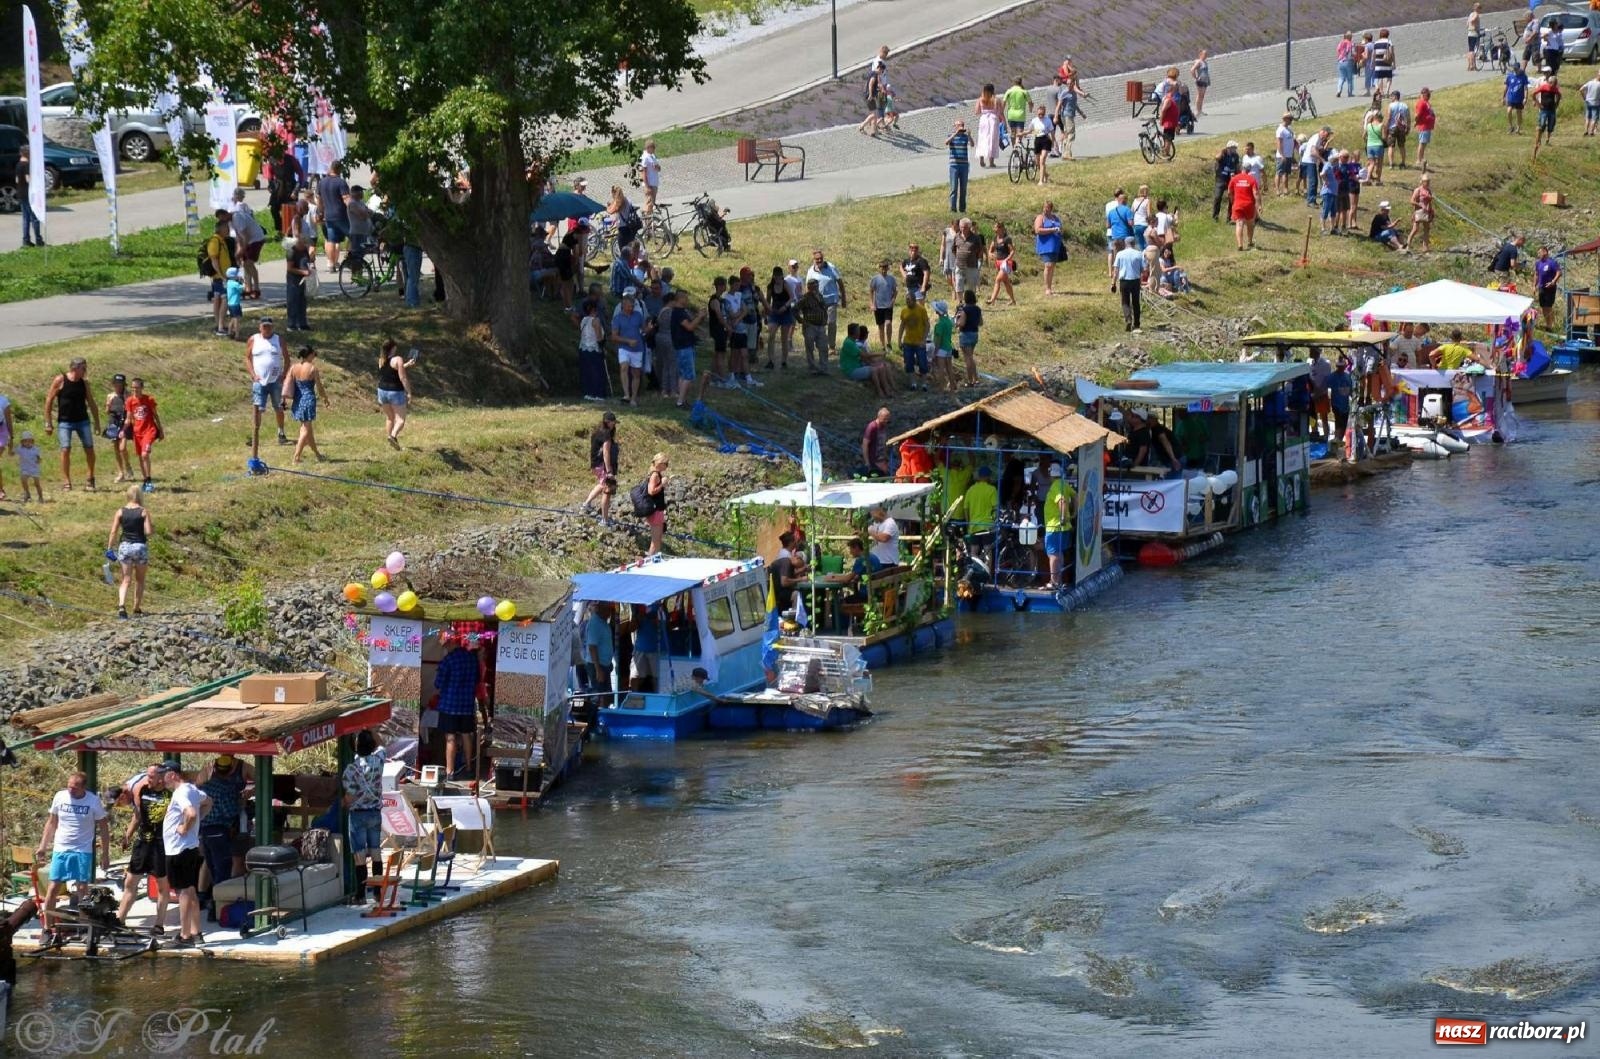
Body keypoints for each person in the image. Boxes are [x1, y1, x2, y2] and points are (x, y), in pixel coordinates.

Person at [35, 771, 111, 941]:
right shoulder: (60, 797)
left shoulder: (93, 801)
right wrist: (43, 847)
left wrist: (105, 854)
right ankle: (47, 929)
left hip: (82, 850)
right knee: (53, 888)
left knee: (82, 889)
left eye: (75, 788)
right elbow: (52, 822)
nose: (70, 790)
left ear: (83, 787)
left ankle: (84, 928)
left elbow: (104, 828)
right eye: (69, 786)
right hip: (61, 848)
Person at [160, 762, 210, 948]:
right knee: (190, 891)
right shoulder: (192, 789)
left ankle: (185, 935)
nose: (161, 778)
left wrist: (185, 827)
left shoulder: (181, 792)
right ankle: (197, 933)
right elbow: (208, 801)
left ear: (172, 775)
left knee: (183, 893)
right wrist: (198, 821)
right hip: (188, 848)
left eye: (163, 774)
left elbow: (190, 813)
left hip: (178, 849)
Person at [116, 764, 171, 931]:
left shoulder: (172, 794)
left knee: (162, 886)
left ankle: (159, 924)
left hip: (161, 844)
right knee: (130, 882)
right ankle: (120, 920)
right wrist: (128, 835)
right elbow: (137, 815)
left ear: (162, 778)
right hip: (143, 843)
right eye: (147, 776)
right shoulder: (143, 790)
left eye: (151, 777)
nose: (148, 779)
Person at [196, 753, 253, 909]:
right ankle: (218, 907)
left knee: (210, 865)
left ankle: (204, 899)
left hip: (204, 832)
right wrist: (240, 804)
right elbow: (229, 812)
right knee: (223, 869)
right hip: (220, 832)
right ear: (228, 770)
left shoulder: (204, 787)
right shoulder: (227, 789)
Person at [341, 730, 386, 899]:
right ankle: (377, 893)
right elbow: (382, 744)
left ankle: (360, 894)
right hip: (375, 813)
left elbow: (350, 796)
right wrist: (371, 728)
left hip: (358, 815)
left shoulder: (351, 769)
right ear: (372, 745)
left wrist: (343, 803)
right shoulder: (379, 761)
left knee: (359, 855)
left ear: (355, 748)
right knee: (376, 852)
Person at [435, 631, 485, 779]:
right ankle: (469, 767)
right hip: (466, 705)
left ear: (450, 643)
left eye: (445, 645)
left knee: (450, 738)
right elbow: (477, 680)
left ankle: (450, 772)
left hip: (449, 706)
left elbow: (438, 683)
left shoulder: (448, 660)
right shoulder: (472, 658)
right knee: (466, 736)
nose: (445, 648)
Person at [44, 357, 99, 491]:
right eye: (83, 368)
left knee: (89, 448)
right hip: (65, 421)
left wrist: (97, 422)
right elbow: (49, 401)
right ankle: (66, 481)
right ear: (74, 368)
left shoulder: (84, 383)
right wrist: (48, 423)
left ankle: (90, 477)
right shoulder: (60, 380)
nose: (85, 371)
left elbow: (91, 402)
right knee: (65, 449)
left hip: (82, 420)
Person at [282, 346, 327, 464]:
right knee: (305, 430)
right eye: (314, 354)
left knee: (308, 429)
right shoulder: (313, 369)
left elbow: (287, 384)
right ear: (310, 355)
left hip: (298, 399)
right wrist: (325, 398)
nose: (314, 357)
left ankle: (317, 454)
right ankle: (296, 457)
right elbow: (319, 387)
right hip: (308, 399)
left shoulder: (294, 367)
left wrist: (284, 400)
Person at [375, 339, 416, 448]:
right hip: (395, 392)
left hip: (382, 391)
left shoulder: (381, 360)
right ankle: (393, 436)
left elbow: (390, 371)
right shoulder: (398, 359)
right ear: (393, 348)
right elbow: (402, 377)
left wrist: (406, 365)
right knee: (401, 419)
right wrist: (409, 392)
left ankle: (390, 440)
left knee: (390, 418)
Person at [805, 249, 846, 355]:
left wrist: (844, 298)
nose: (819, 261)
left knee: (831, 323)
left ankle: (831, 347)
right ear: (813, 260)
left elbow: (840, 282)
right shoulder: (811, 271)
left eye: (821, 259)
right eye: (817, 259)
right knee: (820, 324)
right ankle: (821, 345)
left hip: (831, 300)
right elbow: (808, 287)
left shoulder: (831, 268)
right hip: (818, 302)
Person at [612, 287, 648, 405]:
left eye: (632, 306)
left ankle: (633, 397)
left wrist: (649, 329)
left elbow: (643, 330)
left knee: (636, 373)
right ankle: (626, 394)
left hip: (638, 348)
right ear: (623, 305)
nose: (631, 308)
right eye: (629, 306)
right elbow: (614, 336)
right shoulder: (617, 318)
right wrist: (627, 341)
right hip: (624, 348)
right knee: (624, 367)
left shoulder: (638, 315)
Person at [1041, 463, 1074, 589]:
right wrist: (1074, 512)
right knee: (1059, 554)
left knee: (1053, 554)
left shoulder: (1056, 486)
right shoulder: (1064, 484)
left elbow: (1062, 501)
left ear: (1051, 474)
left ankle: (1054, 582)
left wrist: (1062, 517)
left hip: (1055, 526)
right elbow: (1075, 496)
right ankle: (1058, 581)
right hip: (1062, 527)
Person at [229, 188, 266, 298]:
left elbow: (245, 234)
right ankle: (248, 288)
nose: (242, 197)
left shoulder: (240, 208)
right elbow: (239, 236)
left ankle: (256, 288)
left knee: (249, 263)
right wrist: (238, 252)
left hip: (254, 238)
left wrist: (241, 251)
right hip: (246, 237)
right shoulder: (232, 214)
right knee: (245, 264)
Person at [584, 411, 620, 524]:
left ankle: (586, 504)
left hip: (595, 465)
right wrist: (609, 471)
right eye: (612, 422)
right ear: (607, 422)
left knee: (601, 484)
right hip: (603, 466)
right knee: (607, 491)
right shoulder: (606, 435)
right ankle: (604, 520)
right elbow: (606, 453)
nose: (614, 425)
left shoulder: (596, 433)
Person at [203, 216, 235, 337]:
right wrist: (222, 276)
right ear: (221, 229)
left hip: (221, 277)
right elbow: (214, 260)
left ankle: (219, 325)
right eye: (226, 228)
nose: (228, 230)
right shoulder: (215, 241)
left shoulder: (222, 240)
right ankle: (221, 327)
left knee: (218, 300)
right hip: (220, 277)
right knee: (226, 299)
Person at [317, 161, 351, 270]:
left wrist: (321, 212)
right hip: (341, 215)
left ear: (331, 168)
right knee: (353, 236)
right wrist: (354, 209)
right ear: (339, 170)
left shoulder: (322, 182)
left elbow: (319, 199)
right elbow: (346, 199)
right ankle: (350, 259)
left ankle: (331, 264)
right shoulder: (341, 183)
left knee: (331, 240)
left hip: (328, 216)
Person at [897, 291, 930, 391]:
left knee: (923, 363)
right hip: (908, 341)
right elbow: (902, 325)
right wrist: (899, 340)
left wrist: (924, 340)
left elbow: (927, 325)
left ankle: (924, 384)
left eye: (909, 300)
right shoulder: (904, 311)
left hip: (919, 341)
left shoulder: (921, 310)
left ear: (914, 300)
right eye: (906, 300)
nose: (907, 302)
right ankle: (913, 383)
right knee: (909, 363)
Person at [796, 278, 829, 374]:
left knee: (823, 347)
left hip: (821, 326)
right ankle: (812, 367)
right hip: (810, 326)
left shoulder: (820, 297)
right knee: (810, 347)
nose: (815, 288)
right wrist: (801, 320)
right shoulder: (805, 298)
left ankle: (823, 368)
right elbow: (794, 309)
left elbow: (824, 307)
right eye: (813, 286)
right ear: (809, 287)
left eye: (816, 286)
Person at [1112, 239, 1145, 332]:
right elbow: (1143, 269)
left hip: (1124, 280)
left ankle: (1128, 319)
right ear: (1134, 244)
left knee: (1125, 302)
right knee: (1136, 303)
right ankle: (1137, 324)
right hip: (1135, 280)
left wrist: (1113, 283)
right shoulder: (1139, 254)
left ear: (1125, 244)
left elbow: (1116, 271)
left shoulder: (1120, 254)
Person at [764, 265, 794, 369]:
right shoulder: (770, 286)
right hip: (774, 312)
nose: (778, 279)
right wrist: (766, 314)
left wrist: (785, 307)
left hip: (785, 312)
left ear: (782, 276)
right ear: (773, 276)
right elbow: (767, 301)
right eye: (776, 277)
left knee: (784, 338)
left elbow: (792, 297)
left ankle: (784, 361)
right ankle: (771, 360)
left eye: (779, 276)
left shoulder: (785, 284)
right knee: (771, 336)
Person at [1034, 201, 1065, 296]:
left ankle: (1050, 287)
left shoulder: (1055, 218)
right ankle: (1047, 288)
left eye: (1047, 207)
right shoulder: (1040, 218)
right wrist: (1052, 230)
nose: (1045, 209)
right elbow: (1037, 230)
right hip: (1045, 245)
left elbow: (1061, 228)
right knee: (1048, 265)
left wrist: (1060, 231)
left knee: (1052, 266)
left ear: (1051, 209)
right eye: (1044, 207)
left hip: (1055, 245)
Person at [583, 603, 615, 694]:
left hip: (604, 664)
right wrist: (598, 670)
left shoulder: (603, 621)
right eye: (608, 609)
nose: (609, 613)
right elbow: (592, 647)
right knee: (599, 696)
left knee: (607, 695)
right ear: (600, 609)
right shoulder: (595, 623)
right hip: (597, 666)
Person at [285, 233, 314, 332]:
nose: (305, 245)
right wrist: (303, 272)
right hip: (294, 280)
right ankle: (291, 324)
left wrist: (312, 260)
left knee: (302, 301)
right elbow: (290, 269)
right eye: (304, 243)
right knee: (293, 301)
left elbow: (308, 261)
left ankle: (302, 323)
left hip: (303, 280)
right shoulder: (291, 252)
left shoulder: (305, 250)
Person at [104, 374, 130, 485]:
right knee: (116, 448)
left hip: (124, 422)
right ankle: (121, 472)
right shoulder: (110, 396)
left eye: (120, 384)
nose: (118, 386)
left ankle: (127, 465)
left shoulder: (127, 395)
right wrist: (108, 405)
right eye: (116, 384)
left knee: (122, 448)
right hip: (113, 423)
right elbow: (107, 411)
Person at [869, 260, 899, 350]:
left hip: (888, 306)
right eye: (882, 268)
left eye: (885, 268)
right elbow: (871, 290)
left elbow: (895, 291)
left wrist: (893, 301)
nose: (884, 270)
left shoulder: (891, 279)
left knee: (888, 323)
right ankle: (882, 345)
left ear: (888, 268)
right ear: (880, 268)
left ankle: (889, 343)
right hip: (878, 306)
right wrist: (872, 304)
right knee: (881, 326)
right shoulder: (875, 279)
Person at [1229, 163, 1259, 251]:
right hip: (1249, 205)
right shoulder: (1252, 179)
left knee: (1239, 223)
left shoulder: (1234, 178)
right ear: (1249, 170)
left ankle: (1240, 245)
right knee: (1250, 224)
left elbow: (1229, 192)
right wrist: (1258, 204)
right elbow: (1256, 193)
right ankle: (1249, 242)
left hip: (1237, 204)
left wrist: (1233, 201)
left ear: (1242, 168)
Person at [17, 147, 43, 247]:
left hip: (20, 192)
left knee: (25, 218)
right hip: (29, 193)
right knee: (34, 217)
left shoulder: (18, 165)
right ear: (28, 153)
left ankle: (26, 240)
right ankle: (38, 239)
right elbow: (28, 179)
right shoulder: (27, 165)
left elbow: (16, 179)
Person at [955, 291, 982, 387]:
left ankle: (970, 380)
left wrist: (956, 322)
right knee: (971, 357)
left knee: (968, 359)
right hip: (975, 334)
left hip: (965, 334)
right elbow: (980, 323)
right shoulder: (978, 309)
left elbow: (961, 323)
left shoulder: (964, 310)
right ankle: (976, 379)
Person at [987, 221, 1017, 307]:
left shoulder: (1007, 239)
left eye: (997, 227)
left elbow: (1012, 251)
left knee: (998, 280)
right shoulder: (995, 238)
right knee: (1006, 282)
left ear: (1002, 229)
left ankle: (992, 300)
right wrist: (990, 254)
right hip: (998, 262)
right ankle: (1013, 300)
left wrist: (1007, 259)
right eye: (995, 227)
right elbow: (990, 249)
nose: (995, 229)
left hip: (1005, 263)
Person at [644, 452, 669, 555]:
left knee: (657, 540)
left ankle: (654, 559)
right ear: (660, 463)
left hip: (656, 510)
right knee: (656, 541)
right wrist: (662, 485)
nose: (667, 466)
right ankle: (650, 560)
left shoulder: (654, 474)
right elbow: (651, 491)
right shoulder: (655, 475)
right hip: (656, 511)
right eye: (666, 463)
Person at [951, 218, 984, 297]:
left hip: (971, 266)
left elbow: (980, 250)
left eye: (965, 227)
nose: (963, 229)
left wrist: (975, 259)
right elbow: (954, 250)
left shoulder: (976, 238)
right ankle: (960, 303)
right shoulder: (957, 236)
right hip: (959, 265)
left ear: (969, 227)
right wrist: (959, 257)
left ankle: (970, 303)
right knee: (958, 285)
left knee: (971, 287)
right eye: (961, 227)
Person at [1327, 356, 1354, 452]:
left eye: (1342, 366)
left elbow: (1351, 390)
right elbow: (1326, 386)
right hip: (1336, 403)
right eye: (1338, 366)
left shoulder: (1347, 376)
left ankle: (1339, 441)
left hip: (1345, 404)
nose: (1340, 368)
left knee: (1344, 424)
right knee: (1338, 423)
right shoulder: (1332, 376)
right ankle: (1336, 441)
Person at [1532, 73, 1561, 157]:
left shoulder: (1555, 89)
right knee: (1542, 124)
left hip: (1552, 109)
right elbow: (1533, 94)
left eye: (1555, 84)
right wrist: (1537, 103)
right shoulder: (1544, 87)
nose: (1554, 86)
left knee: (1551, 124)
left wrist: (1557, 103)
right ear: (1550, 82)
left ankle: (1548, 139)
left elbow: (1559, 95)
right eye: (1553, 83)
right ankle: (1538, 140)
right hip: (1544, 109)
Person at [945, 119, 971, 213]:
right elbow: (946, 142)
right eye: (959, 125)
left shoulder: (965, 137)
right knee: (954, 188)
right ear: (955, 126)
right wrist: (955, 133)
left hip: (964, 165)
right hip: (954, 165)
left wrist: (969, 136)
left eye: (962, 125)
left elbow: (972, 144)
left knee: (963, 188)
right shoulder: (951, 135)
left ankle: (962, 208)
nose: (961, 127)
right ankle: (953, 208)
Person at [930, 300, 957, 392]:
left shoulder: (939, 324)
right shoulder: (949, 322)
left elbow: (938, 340)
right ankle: (952, 386)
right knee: (949, 367)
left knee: (941, 369)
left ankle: (942, 387)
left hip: (941, 349)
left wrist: (935, 352)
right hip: (948, 347)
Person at [1534, 246, 1562, 331]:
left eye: (1540, 252)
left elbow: (1559, 272)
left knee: (1548, 306)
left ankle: (1551, 326)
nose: (1538, 254)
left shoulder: (1551, 262)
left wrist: (1553, 281)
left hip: (1550, 288)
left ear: (1545, 252)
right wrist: (1534, 285)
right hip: (1541, 287)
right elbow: (1536, 274)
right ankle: (1548, 324)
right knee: (1543, 306)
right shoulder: (1538, 263)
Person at [1212, 141, 1241, 221]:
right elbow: (1216, 157)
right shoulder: (1223, 154)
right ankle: (1215, 216)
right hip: (1221, 178)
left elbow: (1238, 167)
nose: (1235, 149)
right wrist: (1222, 151)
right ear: (1229, 148)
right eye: (1234, 148)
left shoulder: (1236, 156)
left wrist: (1238, 175)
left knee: (1231, 198)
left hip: (1231, 179)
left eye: (1235, 148)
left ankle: (1229, 217)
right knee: (1217, 197)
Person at [865, 503, 900, 570]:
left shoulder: (890, 523)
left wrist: (870, 532)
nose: (872, 517)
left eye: (873, 515)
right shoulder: (876, 523)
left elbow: (883, 538)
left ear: (879, 511)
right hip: (877, 560)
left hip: (888, 562)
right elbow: (875, 535)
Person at [974, 84, 1003, 167]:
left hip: (983, 119)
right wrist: (1004, 123)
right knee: (992, 140)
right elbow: (1000, 112)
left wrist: (984, 110)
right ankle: (991, 162)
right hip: (993, 119)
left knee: (982, 138)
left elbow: (976, 111)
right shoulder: (996, 100)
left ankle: (982, 159)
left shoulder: (980, 99)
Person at [862, 406, 892, 477]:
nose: (886, 421)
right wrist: (867, 463)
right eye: (884, 419)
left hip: (882, 461)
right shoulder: (872, 427)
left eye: (887, 419)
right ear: (879, 417)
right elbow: (864, 445)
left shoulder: (884, 426)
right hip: (874, 463)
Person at [1029, 104, 1054, 185]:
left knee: (1042, 160)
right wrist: (1022, 134)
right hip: (1037, 140)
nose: (1041, 116)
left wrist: (1053, 141)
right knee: (1037, 162)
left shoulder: (1048, 120)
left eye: (1042, 114)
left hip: (1045, 140)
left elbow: (1052, 132)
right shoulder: (1034, 120)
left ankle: (1041, 181)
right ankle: (1045, 175)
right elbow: (1031, 130)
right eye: (1039, 114)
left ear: (1045, 113)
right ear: (1037, 113)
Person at [1385, 91, 1411, 169]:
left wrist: (1386, 127)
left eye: (1391, 96)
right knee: (1402, 146)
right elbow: (1408, 118)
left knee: (1391, 146)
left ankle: (1391, 164)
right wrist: (1408, 128)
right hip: (1401, 128)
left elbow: (1389, 117)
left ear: (1395, 96)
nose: (1391, 98)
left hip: (1392, 127)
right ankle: (1403, 162)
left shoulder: (1391, 105)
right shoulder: (1405, 105)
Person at [1002, 77, 1031, 144]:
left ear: (1013, 82)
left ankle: (1014, 148)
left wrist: (1001, 112)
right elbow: (1030, 103)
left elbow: (1003, 103)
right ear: (1021, 82)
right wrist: (1030, 109)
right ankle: (1017, 146)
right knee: (1020, 133)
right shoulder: (1024, 92)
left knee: (1013, 132)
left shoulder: (1009, 91)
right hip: (1020, 115)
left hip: (1011, 115)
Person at [16, 430, 42, 503]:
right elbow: (12, 452)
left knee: (37, 484)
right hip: (25, 468)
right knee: (23, 479)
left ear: (32, 442)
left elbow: (39, 458)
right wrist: (10, 445)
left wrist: (38, 460)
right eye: (25, 441)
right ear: (22, 442)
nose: (27, 443)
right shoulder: (20, 448)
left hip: (34, 469)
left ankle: (40, 497)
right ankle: (27, 493)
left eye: (29, 441)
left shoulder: (36, 449)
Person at [1506, 62, 1530, 134]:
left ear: (1519, 68)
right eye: (1514, 68)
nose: (1515, 70)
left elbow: (1525, 88)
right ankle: (1511, 126)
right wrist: (1503, 96)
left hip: (1519, 98)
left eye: (1517, 69)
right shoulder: (1510, 76)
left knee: (1518, 113)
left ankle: (1518, 128)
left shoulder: (1523, 76)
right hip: (1511, 97)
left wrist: (1525, 98)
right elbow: (1507, 86)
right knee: (1509, 111)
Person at [1370, 28, 1396, 96]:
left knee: (1380, 78)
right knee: (1389, 77)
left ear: (1380, 35)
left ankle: (1381, 92)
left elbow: (1373, 54)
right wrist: (1394, 62)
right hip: (1387, 62)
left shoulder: (1376, 43)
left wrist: (1372, 63)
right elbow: (1392, 53)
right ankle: (1387, 91)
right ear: (1387, 35)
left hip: (1378, 63)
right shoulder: (1389, 42)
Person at [639, 139, 661, 215]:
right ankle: (648, 224)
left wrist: (657, 167)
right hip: (649, 184)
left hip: (654, 183)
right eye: (653, 147)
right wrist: (647, 186)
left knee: (652, 204)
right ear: (648, 148)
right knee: (649, 205)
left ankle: (651, 223)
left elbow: (659, 168)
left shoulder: (653, 156)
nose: (654, 149)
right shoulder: (645, 157)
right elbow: (643, 172)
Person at [223, 266, 245, 340]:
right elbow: (242, 289)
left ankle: (229, 332)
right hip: (235, 304)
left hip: (230, 304)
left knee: (233, 318)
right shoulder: (234, 284)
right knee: (236, 319)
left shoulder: (229, 282)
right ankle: (237, 334)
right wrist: (242, 282)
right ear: (233, 276)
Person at [1190, 48, 1211, 115]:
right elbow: (1192, 70)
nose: (1206, 55)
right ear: (1200, 54)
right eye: (1204, 54)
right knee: (1199, 95)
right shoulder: (1198, 62)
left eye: (1206, 54)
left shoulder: (1205, 62)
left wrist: (1208, 79)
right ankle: (1197, 111)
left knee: (1202, 95)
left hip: (1205, 80)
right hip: (1200, 80)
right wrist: (1195, 77)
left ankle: (1200, 110)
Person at [1335, 32, 1357, 98]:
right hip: (1348, 61)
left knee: (1341, 77)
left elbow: (1337, 51)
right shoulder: (1351, 44)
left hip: (1340, 61)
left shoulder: (1340, 43)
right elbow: (1353, 53)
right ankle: (1350, 93)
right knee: (1350, 78)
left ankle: (1339, 91)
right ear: (1350, 37)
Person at [1582, 71, 1600, 137]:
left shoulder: (1590, 82)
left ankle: (1586, 131)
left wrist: (1584, 98)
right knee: (1594, 118)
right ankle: (1591, 132)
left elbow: (1581, 89)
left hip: (1588, 102)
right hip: (1596, 103)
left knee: (1587, 118)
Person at [1467, 3, 1482, 70]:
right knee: (1474, 50)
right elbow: (1472, 20)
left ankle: (1470, 65)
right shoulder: (1476, 14)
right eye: (1480, 8)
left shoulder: (1470, 14)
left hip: (1469, 33)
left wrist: (1470, 24)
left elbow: (1467, 24)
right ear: (1478, 8)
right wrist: (1474, 25)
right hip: (1474, 33)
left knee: (1470, 50)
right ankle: (1473, 65)